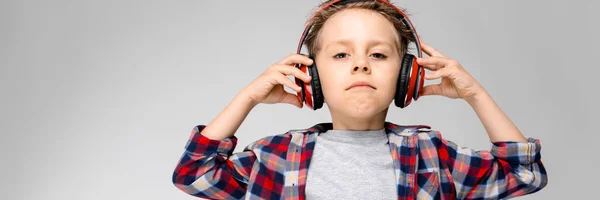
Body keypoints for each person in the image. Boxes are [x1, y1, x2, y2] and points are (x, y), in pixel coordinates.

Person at [172, 0, 548, 199]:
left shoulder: (432, 155)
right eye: (341, 55)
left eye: (379, 55)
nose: (361, 66)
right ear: (310, 75)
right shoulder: (276, 157)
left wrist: (475, 95)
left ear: (408, 75)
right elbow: (194, 175)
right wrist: (248, 98)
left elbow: (524, 174)